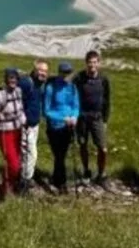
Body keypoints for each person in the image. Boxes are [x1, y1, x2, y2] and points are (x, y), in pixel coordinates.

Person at [0, 67, 28, 197]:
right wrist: (1, 117)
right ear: (6, 80)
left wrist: (24, 121)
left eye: (15, 78)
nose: (13, 81)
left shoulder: (19, 91)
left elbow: (20, 109)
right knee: (13, 163)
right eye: (10, 78)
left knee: (18, 159)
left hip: (18, 129)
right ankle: (6, 188)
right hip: (5, 132)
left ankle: (11, 185)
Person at [74, 49, 111, 184]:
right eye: (90, 62)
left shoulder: (104, 79)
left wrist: (105, 119)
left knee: (102, 148)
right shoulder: (79, 78)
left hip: (97, 117)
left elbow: (107, 100)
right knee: (83, 145)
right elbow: (72, 93)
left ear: (99, 63)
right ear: (86, 63)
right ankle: (86, 170)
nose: (92, 65)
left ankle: (101, 174)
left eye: (95, 62)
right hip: (82, 117)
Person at [43, 61, 80, 193]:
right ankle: (62, 184)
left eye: (68, 73)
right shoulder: (50, 88)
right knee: (59, 155)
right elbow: (46, 111)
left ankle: (56, 179)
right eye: (63, 72)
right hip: (54, 127)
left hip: (68, 127)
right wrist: (62, 118)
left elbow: (75, 105)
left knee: (61, 156)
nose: (66, 75)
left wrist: (75, 117)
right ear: (59, 73)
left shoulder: (72, 88)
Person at [18, 60, 48, 191]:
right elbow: (18, 101)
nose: (43, 73)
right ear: (35, 70)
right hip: (25, 125)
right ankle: (25, 180)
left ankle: (25, 179)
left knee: (28, 153)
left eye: (45, 71)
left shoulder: (40, 84)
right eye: (41, 70)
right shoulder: (26, 83)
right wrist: (22, 118)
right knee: (31, 153)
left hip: (34, 124)